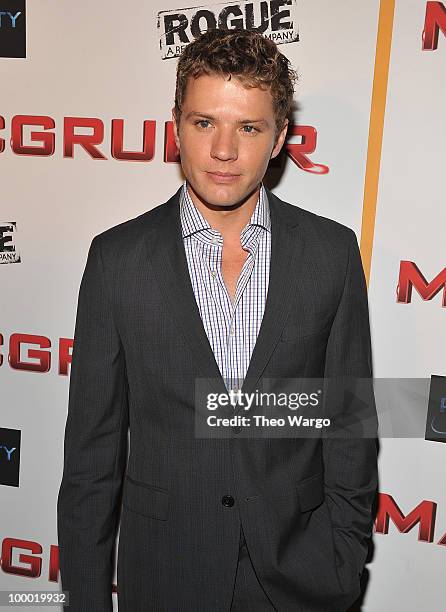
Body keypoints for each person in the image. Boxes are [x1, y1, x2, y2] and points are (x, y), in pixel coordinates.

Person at [57, 28, 379, 612]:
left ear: (280, 137)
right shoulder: (118, 259)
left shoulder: (331, 254)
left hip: (299, 576)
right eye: (204, 123)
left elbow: (351, 418)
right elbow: (91, 455)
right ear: (176, 125)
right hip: (166, 574)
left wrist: (343, 556)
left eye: (249, 127)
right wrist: (84, 599)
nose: (223, 151)